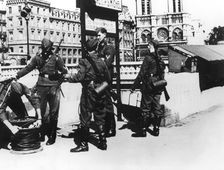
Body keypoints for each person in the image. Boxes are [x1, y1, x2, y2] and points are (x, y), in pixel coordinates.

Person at [15, 38, 68, 146]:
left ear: (50, 49)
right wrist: (17, 75)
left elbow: (64, 72)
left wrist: (57, 85)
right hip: (41, 86)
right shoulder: (38, 58)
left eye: (47, 49)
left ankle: (52, 135)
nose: (44, 51)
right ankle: (41, 133)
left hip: (54, 86)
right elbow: (28, 68)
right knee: (41, 111)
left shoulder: (57, 58)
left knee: (54, 113)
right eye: (43, 49)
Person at [64, 39, 110, 152]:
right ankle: (103, 142)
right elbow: (108, 78)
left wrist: (67, 77)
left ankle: (84, 145)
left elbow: (79, 77)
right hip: (101, 90)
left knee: (85, 116)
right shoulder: (102, 61)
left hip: (89, 92)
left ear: (86, 49)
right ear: (95, 48)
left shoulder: (84, 61)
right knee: (100, 116)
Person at [130, 40, 165, 137]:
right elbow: (162, 72)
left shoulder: (148, 58)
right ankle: (156, 130)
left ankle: (143, 131)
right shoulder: (160, 59)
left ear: (152, 46)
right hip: (158, 84)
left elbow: (141, 73)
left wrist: (134, 86)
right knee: (157, 106)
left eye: (149, 46)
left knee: (145, 107)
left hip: (149, 84)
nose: (148, 47)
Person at [0, 79, 41, 149]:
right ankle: (3, 141)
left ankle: (19, 137)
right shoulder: (4, 92)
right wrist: (11, 127)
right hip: (3, 98)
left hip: (13, 98)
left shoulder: (23, 87)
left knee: (23, 117)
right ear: (10, 92)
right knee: (3, 121)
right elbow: (1, 111)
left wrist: (40, 118)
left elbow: (34, 100)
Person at [96, 27, 116, 137]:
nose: (97, 37)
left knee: (108, 103)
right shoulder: (100, 48)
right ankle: (106, 127)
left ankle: (111, 129)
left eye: (99, 35)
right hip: (100, 78)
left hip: (106, 79)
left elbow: (107, 63)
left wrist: (100, 62)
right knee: (102, 103)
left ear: (104, 35)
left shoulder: (109, 48)